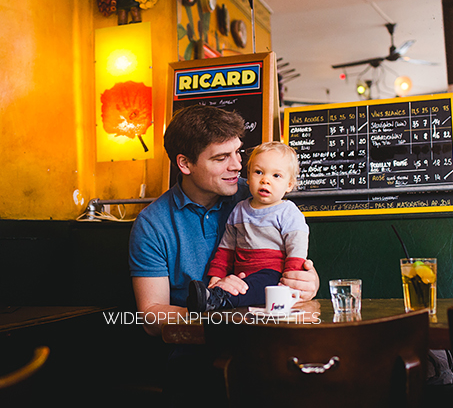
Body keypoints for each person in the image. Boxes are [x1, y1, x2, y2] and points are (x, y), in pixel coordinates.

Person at [129, 105, 319, 338]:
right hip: (198, 345)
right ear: (185, 164)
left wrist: (306, 284)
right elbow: (151, 317)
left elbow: (293, 264)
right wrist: (216, 306)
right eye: (221, 158)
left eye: (238, 152)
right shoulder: (152, 224)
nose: (237, 165)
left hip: (268, 337)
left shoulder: (259, 196)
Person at [187, 141, 309, 312]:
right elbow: (226, 249)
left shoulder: (288, 212)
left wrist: (288, 284)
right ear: (248, 177)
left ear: (289, 185)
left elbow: (297, 249)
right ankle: (213, 295)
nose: (265, 180)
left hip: (273, 276)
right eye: (259, 172)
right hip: (241, 275)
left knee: (256, 285)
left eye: (276, 176)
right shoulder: (239, 210)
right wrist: (216, 278)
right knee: (239, 286)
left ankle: (218, 301)